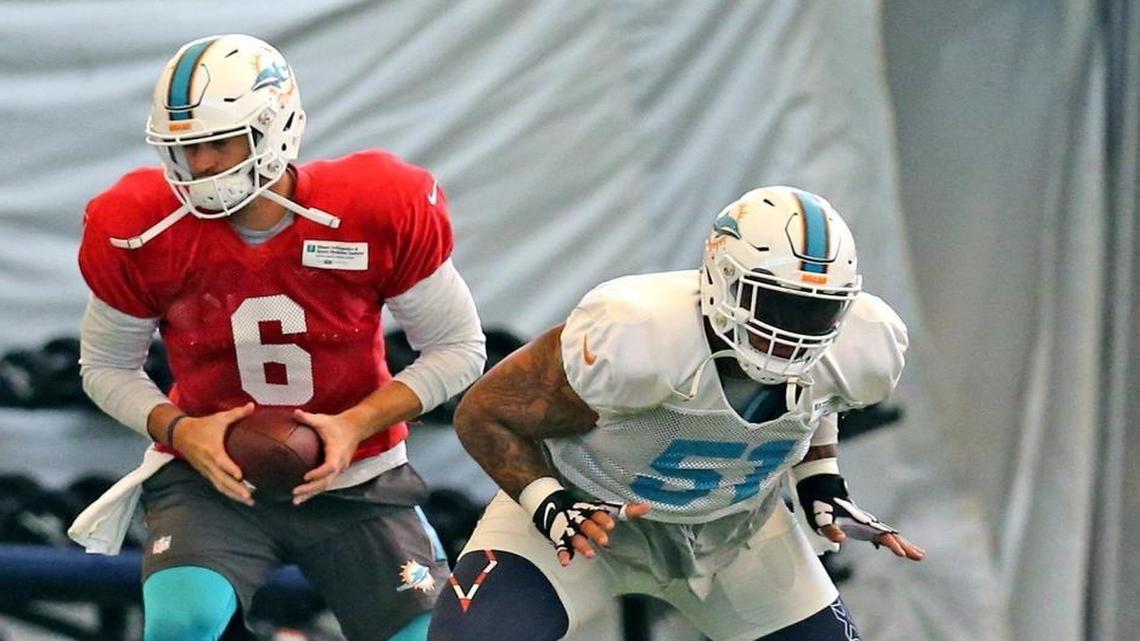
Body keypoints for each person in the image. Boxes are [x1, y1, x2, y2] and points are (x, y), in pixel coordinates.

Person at [68, 34, 486, 641]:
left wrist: (354, 423)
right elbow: (104, 366)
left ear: (275, 127)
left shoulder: (377, 204)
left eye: (218, 142)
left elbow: (459, 347)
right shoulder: (137, 224)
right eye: (186, 149)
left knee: (425, 635)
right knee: (181, 624)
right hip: (211, 475)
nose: (202, 166)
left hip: (359, 473)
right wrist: (182, 430)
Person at [428, 186, 925, 641]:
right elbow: (484, 412)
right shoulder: (638, 334)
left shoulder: (861, 345)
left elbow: (821, 396)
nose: (795, 335)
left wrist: (820, 478)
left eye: (815, 313)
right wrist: (549, 503)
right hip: (589, 516)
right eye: (775, 306)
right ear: (722, 278)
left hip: (736, 532)